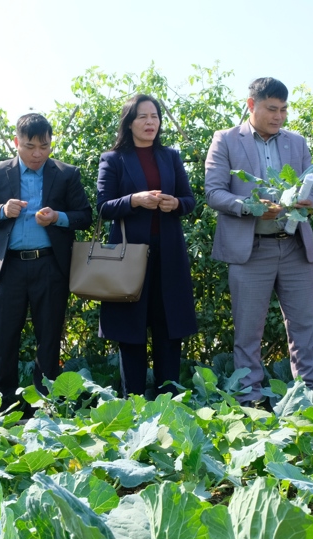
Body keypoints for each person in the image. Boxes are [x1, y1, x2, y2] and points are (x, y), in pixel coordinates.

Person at [204, 77, 313, 406]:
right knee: (248, 333)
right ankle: (249, 403)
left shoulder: (297, 143)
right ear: (252, 105)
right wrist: (251, 209)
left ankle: (308, 401)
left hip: (295, 248)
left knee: (303, 330)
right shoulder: (226, 140)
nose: (279, 116)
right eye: (272, 109)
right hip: (250, 250)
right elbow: (213, 192)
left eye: (284, 110)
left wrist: (309, 201)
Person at [0, 113, 92, 414]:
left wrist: (58, 217)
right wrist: (1, 210)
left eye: (45, 146)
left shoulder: (66, 174)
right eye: (30, 146)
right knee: (2, 339)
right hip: (8, 268)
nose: (38, 154)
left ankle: (47, 409)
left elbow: (85, 215)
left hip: (50, 267)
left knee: (49, 341)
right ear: (16, 143)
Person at [96, 94, 197, 398]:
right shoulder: (113, 159)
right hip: (129, 258)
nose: (150, 122)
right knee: (131, 332)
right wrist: (134, 200)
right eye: (143, 116)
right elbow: (103, 206)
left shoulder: (170, 156)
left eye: (154, 116)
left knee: (169, 330)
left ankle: (169, 401)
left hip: (169, 255)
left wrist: (175, 203)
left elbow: (190, 201)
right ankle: (134, 402)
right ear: (129, 122)